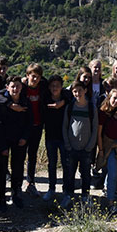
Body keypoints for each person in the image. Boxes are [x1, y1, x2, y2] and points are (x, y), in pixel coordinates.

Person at [0, 76, 31, 212]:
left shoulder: (25, 101)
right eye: (12, 86)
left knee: (18, 168)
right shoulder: (2, 102)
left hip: (19, 139)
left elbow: (29, 122)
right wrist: (2, 145)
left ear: (21, 87)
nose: (15, 89)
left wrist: (25, 138)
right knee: (2, 170)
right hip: (4, 139)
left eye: (18, 86)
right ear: (7, 87)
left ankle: (16, 194)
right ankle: (2, 197)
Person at [62, 81, 98, 208]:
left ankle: (85, 196)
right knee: (69, 174)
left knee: (86, 174)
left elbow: (95, 129)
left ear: (85, 91)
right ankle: (69, 196)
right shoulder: (70, 107)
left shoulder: (91, 108)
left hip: (86, 148)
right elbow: (65, 126)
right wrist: (67, 144)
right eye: (75, 91)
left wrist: (90, 146)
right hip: (71, 147)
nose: (78, 93)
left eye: (80, 90)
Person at [96, 89, 117, 214]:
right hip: (108, 146)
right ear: (109, 98)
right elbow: (99, 134)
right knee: (113, 174)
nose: (116, 101)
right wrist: (101, 150)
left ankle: (107, 190)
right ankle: (110, 203)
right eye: (114, 98)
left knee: (114, 172)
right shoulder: (103, 113)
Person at [42, 75, 71, 203]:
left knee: (66, 164)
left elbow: (71, 93)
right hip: (50, 137)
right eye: (52, 86)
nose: (55, 88)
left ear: (61, 87)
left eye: (57, 86)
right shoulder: (45, 99)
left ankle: (66, 191)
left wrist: (63, 101)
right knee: (52, 164)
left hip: (64, 137)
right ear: (49, 87)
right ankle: (51, 188)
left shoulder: (67, 98)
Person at [23, 63, 48, 198]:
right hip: (24, 127)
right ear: (27, 76)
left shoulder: (42, 87)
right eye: (33, 76)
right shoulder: (22, 88)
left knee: (32, 156)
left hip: (38, 126)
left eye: (38, 77)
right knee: (20, 156)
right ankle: (16, 186)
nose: (35, 79)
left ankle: (30, 183)